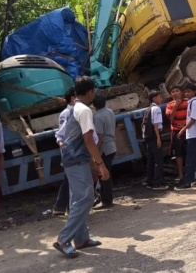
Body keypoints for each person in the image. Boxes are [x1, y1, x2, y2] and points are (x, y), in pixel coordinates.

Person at [53, 76, 109, 258]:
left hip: (71, 158)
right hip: (77, 160)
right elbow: (88, 140)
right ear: (91, 91)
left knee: (77, 199)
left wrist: (91, 163)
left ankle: (81, 238)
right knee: (86, 197)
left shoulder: (70, 110)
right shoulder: (84, 110)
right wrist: (101, 165)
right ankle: (63, 239)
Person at [175, 83, 196, 191]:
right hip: (192, 134)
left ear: (194, 92)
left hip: (194, 135)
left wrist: (182, 130)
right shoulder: (190, 103)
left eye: (189, 91)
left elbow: (193, 119)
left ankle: (188, 182)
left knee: (190, 160)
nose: (186, 93)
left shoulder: (194, 103)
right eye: (185, 91)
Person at [92, 91, 117, 209]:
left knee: (103, 175)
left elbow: (99, 137)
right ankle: (107, 198)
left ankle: (106, 201)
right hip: (112, 146)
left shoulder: (97, 116)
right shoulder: (110, 111)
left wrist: (94, 152)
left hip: (104, 149)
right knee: (107, 174)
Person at [53, 87, 76, 216]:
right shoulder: (69, 113)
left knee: (70, 179)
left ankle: (62, 206)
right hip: (72, 152)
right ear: (73, 98)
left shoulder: (69, 112)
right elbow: (61, 134)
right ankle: (67, 208)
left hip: (71, 152)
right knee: (72, 180)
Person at [143, 91, 167, 191]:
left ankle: (150, 180)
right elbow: (156, 125)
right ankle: (157, 182)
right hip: (154, 136)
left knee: (151, 160)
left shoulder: (148, 109)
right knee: (158, 160)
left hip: (148, 137)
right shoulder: (156, 109)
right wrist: (158, 138)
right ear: (154, 99)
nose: (161, 99)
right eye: (159, 97)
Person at [165, 86, 188, 183]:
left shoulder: (188, 102)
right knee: (178, 154)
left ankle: (191, 172)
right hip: (176, 132)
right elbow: (170, 118)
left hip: (188, 130)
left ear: (181, 92)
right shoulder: (169, 105)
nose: (175, 93)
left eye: (177, 91)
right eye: (172, 91)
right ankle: (181, 175)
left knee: (189, 152)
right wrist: (176, 106)